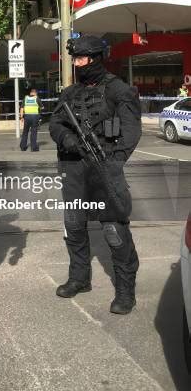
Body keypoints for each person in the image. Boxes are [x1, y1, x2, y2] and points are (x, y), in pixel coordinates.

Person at [49, 35, 141, 315]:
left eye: (81, 59)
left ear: (96, 58)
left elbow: (131, 132)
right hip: (74, 168)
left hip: (104, 167)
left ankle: (125, 291)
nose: (77, 64)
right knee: (74, 226)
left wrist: (114, 162)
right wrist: (68, 140)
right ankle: (79, 278)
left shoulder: (119, 90)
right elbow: (55, 123)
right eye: (74, 59)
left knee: (114, 229)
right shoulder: (70, 93)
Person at [19, 87, 42, 152]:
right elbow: (42, 107)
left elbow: (21, 108)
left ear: (30, 92)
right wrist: (40, 115)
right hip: (35, 117)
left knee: (25, 132)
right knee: (34, 132)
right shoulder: (37, 98)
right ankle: (33, 148)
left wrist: (21, 117)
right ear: (35, 93)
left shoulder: (25, 98)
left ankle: (23, 147)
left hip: (27, 117)